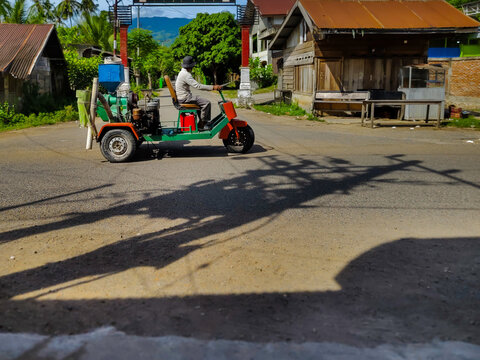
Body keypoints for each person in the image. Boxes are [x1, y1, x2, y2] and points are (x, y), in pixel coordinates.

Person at [175, 56, 222, 131]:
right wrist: (213, 87)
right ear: (190, 66)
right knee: (206, 103)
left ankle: (202, 122)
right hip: (185, 99)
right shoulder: (186, 74)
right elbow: (198, 86)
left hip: (183, 97)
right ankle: (202, 123)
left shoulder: (182, 72)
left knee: (200, 101)